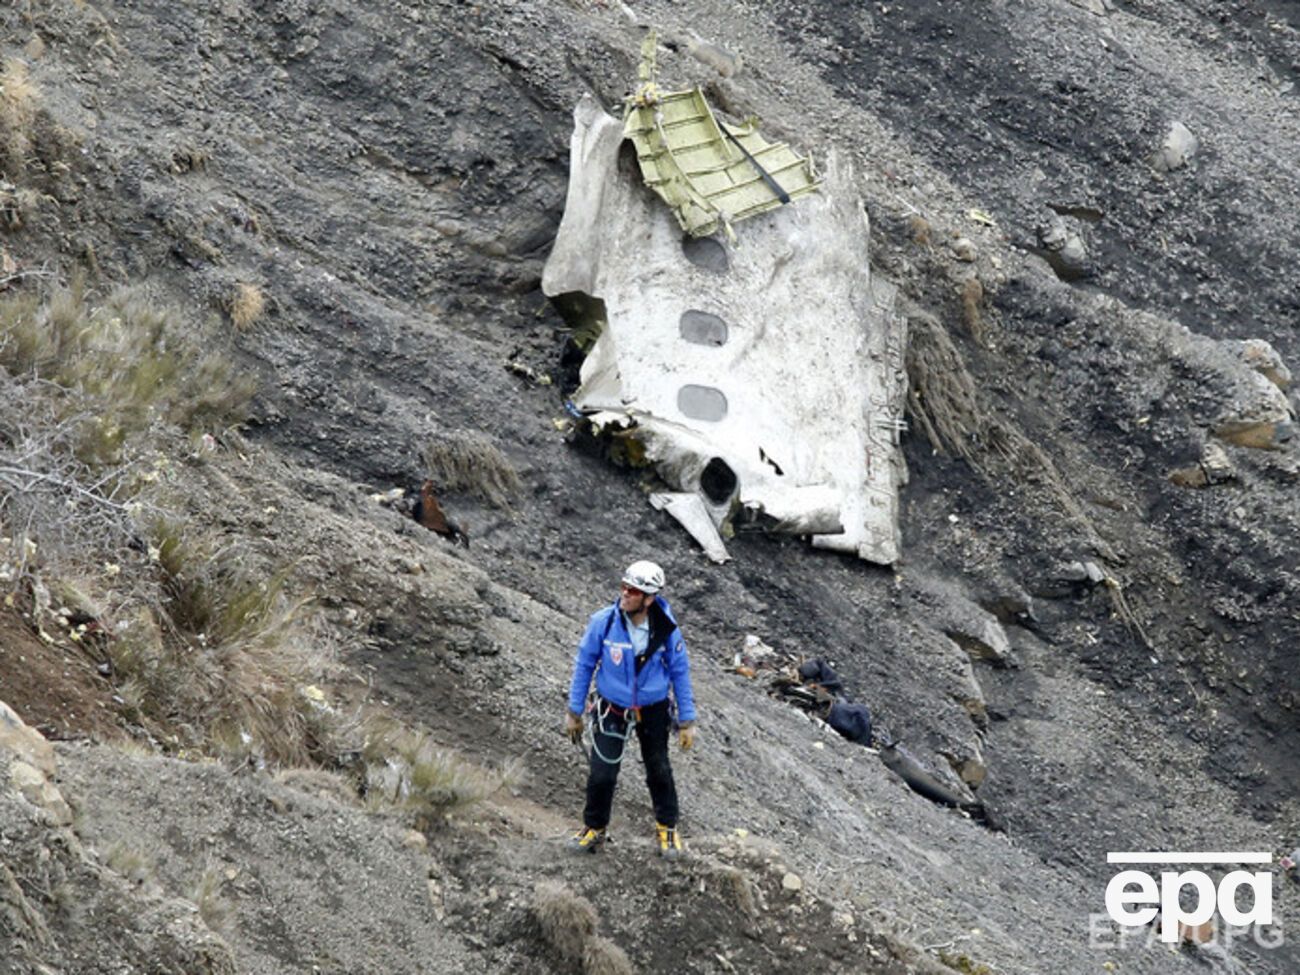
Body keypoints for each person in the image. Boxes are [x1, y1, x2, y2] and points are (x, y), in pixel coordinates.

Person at [565, 560, 697, 859]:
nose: (624, 594)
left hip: (654, 709)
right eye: (623, 587)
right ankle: (594, 828)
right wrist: (574, 712)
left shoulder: (666, 628)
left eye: (632, 591)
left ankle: (667, 828)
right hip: (612, 708)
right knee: (602, 774)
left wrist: (687, 720)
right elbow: (584, 665)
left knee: (658, 769)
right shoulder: (604, 622)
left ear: (649, 598)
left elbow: (680, 671)